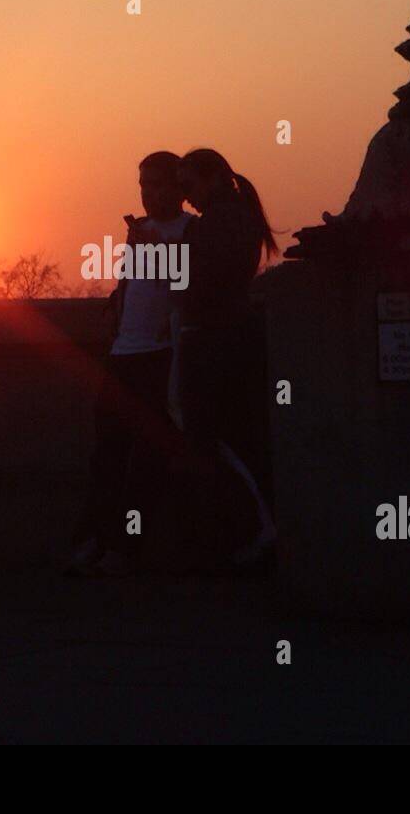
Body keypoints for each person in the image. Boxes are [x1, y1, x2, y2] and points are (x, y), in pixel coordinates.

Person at [66, 151, 193, 576]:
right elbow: (134, 284)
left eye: (157, 184)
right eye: (143, 185)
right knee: (108, 455)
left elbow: (187, 287)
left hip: (160, 358)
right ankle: (96, 541)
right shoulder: (141, 232)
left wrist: (152, 249)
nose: (149, 194)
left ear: (180, 188)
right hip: (124, 353)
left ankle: (128, 550)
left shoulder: (190, 231)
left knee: (149, 460)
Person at [174, 148, 278, 567]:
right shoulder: (231, 217)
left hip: (217, 340)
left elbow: (205, 280)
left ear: (212, 178)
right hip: (222, 336)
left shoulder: (222, 222)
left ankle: (254, 532)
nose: (186, 198)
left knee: (219, 439)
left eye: (188, 186)